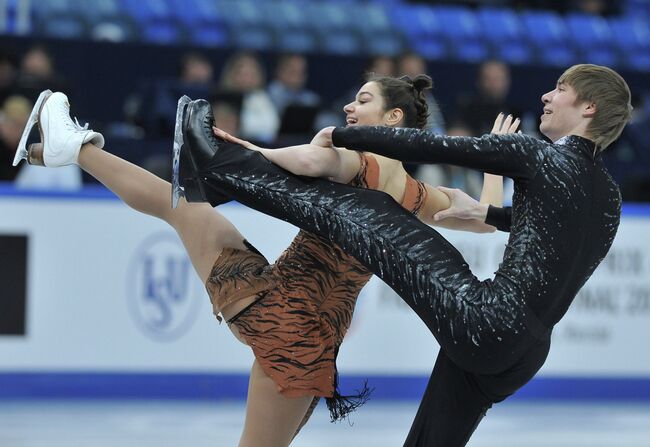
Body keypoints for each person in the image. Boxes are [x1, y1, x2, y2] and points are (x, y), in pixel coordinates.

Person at [14, 74, 508, 447]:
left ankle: (70, 149)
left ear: (394, 119)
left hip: (288, 324)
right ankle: (71, 148)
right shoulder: (419, 195)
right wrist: (495, 160)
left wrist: (241, 147)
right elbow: (484, 219)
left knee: (180, 206)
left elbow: (308, 163)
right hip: (304, 329)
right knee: (181, 206)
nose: (348, 107)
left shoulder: (357, 159)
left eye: (362, 101)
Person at [174, 63, 632, 446]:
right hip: (524, 355)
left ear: (588, 107)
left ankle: (216, 164)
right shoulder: (608, 195)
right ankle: (218, 167)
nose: (547, 96)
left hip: (484, 322)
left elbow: (430, 145)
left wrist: (343, 134)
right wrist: (492, 211)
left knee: (366, 211)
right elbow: (563, 232)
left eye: (561, 90)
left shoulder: (541, 156)